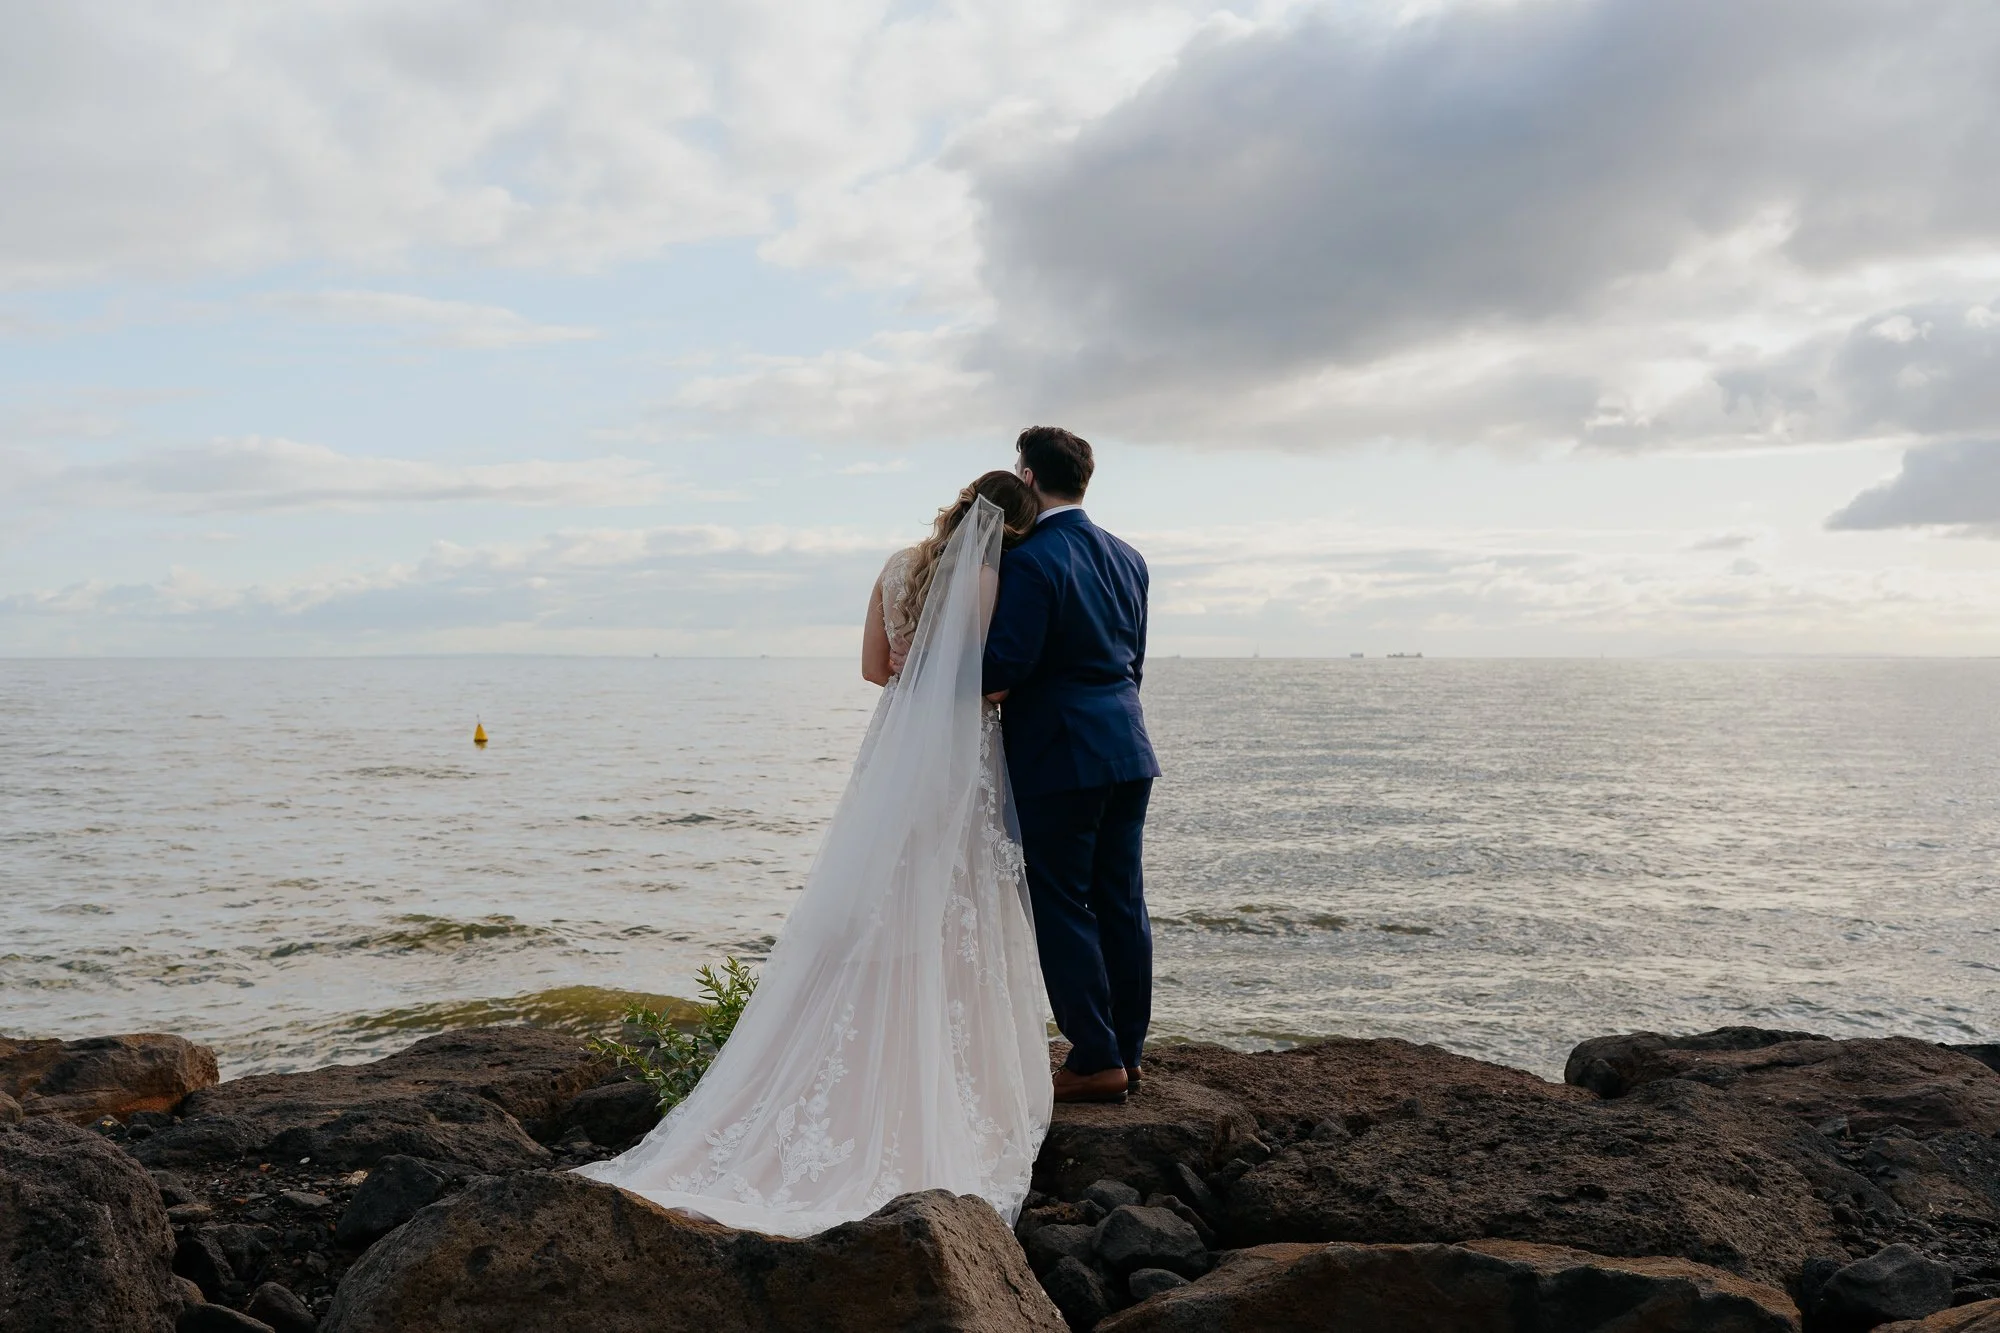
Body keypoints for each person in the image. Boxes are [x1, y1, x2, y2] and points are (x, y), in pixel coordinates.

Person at [576, 471, 1050, 1236]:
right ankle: (929, 1070)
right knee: (949, 897)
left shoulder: (896, 564)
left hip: (892, 745)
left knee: (884, 892)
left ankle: (855, 1047)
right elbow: (977, 680)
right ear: (1013, 529)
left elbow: (874, 669)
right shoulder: (990, 575)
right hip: (958, 749)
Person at [983, 427, 1161, 1105]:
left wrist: (933, 673)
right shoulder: (1129, 557)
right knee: (1122, 899)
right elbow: (1133, 660)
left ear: (1027, 479)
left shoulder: (1032, 559)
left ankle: (1094, 1056)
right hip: (1128, 744)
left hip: (1060, 749)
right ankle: (1129, 1050)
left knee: (1061, 901)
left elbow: (1004, 665)